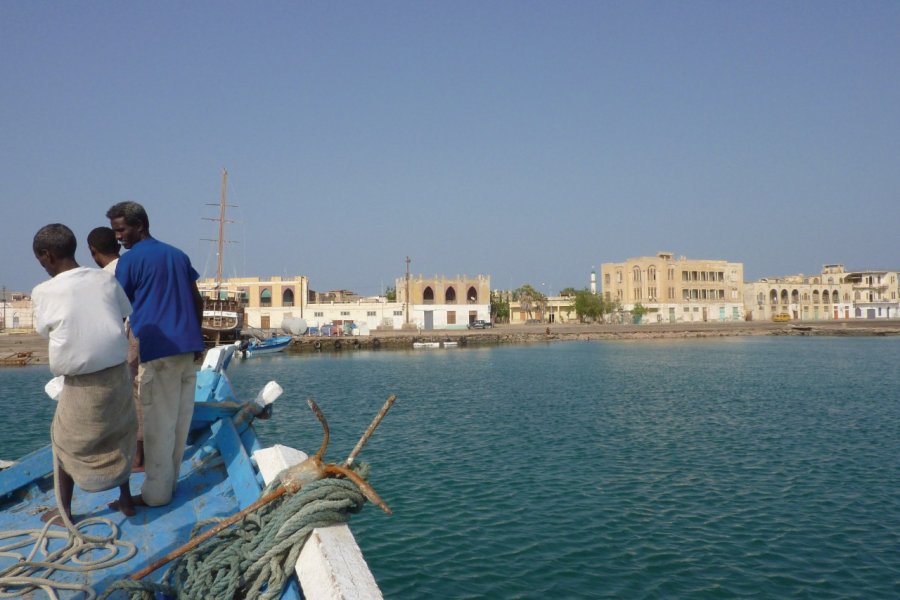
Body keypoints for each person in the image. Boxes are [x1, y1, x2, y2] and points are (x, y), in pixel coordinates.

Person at [31, 223, 137, 522]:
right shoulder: (105, 280)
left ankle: (64, 510)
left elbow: (44, 330)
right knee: (120, 434)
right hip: (117, 375)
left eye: (41, 260)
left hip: (81, 384)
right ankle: (126, 500)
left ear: (47, 255)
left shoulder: (44, 291)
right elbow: (122, 313)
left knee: (63, 442)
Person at [106, 201, 205, 507]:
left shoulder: (130, 262)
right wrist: (196, 337)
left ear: (139, 225)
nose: (118, 237)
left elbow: (116, 307)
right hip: (187, 349)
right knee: (179, 422)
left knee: (158, 428)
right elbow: (196, 300)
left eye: (121, 230)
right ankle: (169, 485)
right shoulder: (178, 255)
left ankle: (156, 496)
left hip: (157, 351)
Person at [87, 226, 144, 471]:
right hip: (140, 333)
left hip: (124, 339)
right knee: (140, 393)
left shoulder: (103, 277)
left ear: (93, 251)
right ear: (118, 245)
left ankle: (137, 457)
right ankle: (141, 452)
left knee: (130, 397)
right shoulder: (130, 265)